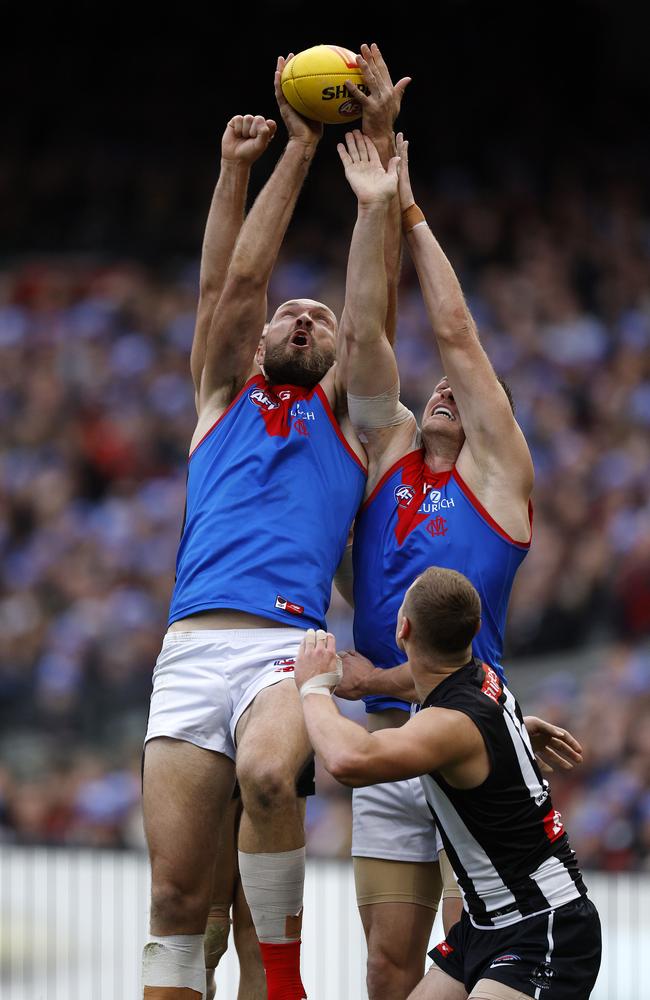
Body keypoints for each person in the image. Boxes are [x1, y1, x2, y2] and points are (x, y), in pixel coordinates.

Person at [140, 48, 409, 1000]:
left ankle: (286, 980)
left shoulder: (352, 422)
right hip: (189, 648)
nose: (305, 319)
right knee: (181, 911)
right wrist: (282, 155)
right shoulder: (218, 395)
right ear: (257, 344)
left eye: (320, 320)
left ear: (336, 355)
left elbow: (371, 314)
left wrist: (375, 167)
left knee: (265, 779)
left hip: (286, 650)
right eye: (290, 315)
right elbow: (236, 283)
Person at [334, 126, 537, 999]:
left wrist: (412, 210)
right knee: (387, 962)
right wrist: (374, 207)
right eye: (438, 389)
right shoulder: (392, 451)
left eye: (467, 393)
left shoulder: (499, 479)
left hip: (464, 736)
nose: (445, 389)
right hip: (385, 732)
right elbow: (366, 339)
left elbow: (453, 331)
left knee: (480, 947)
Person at [294, 568, 601, 1000]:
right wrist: (513, 736)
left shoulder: (450, 724)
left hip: (543, 927)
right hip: (483, 927)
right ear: (473, 631)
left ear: (403, 630)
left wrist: (313, 686)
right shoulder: (480, 676)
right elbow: (426, 683)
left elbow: (348, 760)